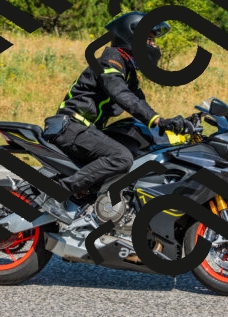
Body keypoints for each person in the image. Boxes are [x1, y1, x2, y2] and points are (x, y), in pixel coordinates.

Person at [43, 11, 188, 197]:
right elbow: (120, 93)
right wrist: (157, 120)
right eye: (150, 39)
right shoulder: (110, 61)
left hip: (86, 130)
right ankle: (59, 192)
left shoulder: (127, 70)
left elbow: (139, 102)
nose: (153, 45)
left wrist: (169, 124)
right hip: (72, 127)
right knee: (121, 158)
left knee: (137, 148)